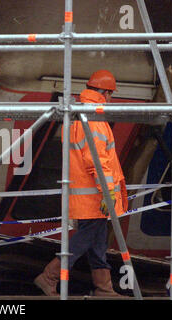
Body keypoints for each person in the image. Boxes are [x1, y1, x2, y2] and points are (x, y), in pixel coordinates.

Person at [34, 70, 128, 297]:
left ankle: (103, 288)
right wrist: (107, 192)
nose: (111, 99)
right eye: (111, 94)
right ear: (104, 93)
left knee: (97, 241)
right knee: (85, 239)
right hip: (95, 195)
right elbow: (97, 160)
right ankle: (49, 275)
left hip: (88, 193)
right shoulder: (93, 119)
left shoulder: (80, 114)